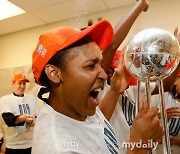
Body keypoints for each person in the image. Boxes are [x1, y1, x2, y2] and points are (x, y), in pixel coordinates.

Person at [31, 19, 163, 154]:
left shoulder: (76, 109)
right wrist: (140, 145)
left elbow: (98, 125)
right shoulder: (57, 147)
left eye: (100, 64)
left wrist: (115, 90)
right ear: (54, 73)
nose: (104, 76)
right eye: (90, 66)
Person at [0, 73, 37, 154]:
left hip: (31, 144)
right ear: (13, 84)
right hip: (14, 145)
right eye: (19, 83)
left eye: (24, 83)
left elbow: (36, 117)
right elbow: (9, 120)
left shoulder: (32, 99)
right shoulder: (5, 100)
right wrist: (23, 118)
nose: (22, 86)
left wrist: (33, 122)